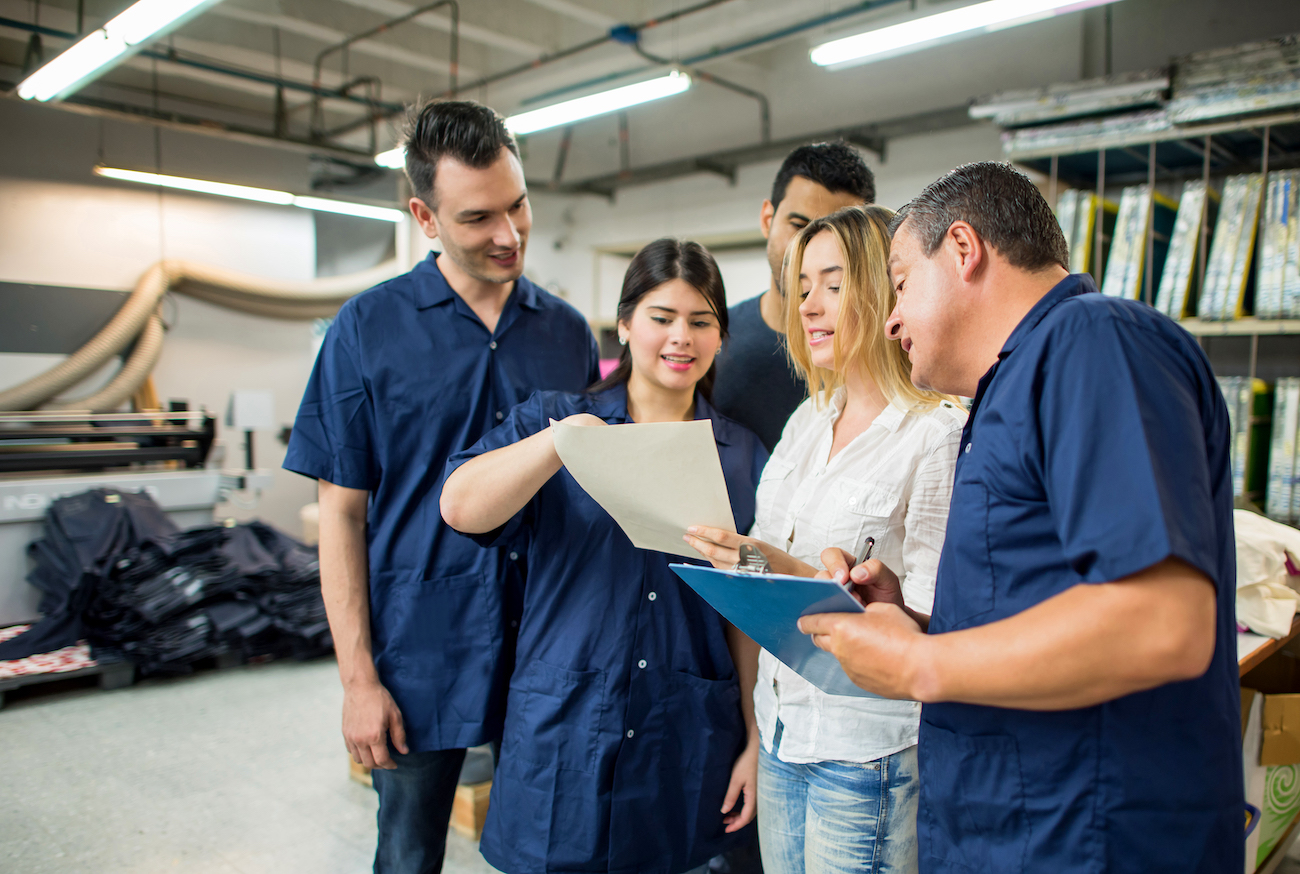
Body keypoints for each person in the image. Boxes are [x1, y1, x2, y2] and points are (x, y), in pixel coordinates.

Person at [800, 162, 1242, 873]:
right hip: (1014, 830)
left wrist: (920, 662)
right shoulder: (1008, 390)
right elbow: (1043, 607)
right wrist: (912, 622)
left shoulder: (1095, 342)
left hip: (1092, 838)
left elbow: (1166, 625)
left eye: (903, 282)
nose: (890, 318)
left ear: (965, 250)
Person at [283, 99, 599, 874]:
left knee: (550, 848)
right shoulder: (366, 331)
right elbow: (342, 515)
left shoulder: (566, 334)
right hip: (420, 654)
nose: (509, 234)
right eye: (477, 217)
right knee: (408, 853)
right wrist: (359, 682)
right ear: (425, 216)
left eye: (518, 204)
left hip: (547, 649)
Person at [440, 239, 768, 874]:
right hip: (564, 725)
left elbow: (751, 609)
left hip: (685, 731)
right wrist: (556, 447)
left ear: (721, 336)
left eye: (701, 321)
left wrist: (754, 740)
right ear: (623, 325)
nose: (681, 338)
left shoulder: (744, 456)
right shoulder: (559, 421)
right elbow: (459, 507)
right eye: (661, 317)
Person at [686, 206, 964, 874]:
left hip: (864, 747)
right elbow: (759, 567)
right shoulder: (808, 420)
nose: (809, 305)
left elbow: (933, 626)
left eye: (833, 285)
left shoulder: (937, 434)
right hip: (783, 730)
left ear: (882, 288)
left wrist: (773, 564)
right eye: (803, 285)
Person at [712, 142, 875, 453]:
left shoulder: (878, 355)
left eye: (835, 236)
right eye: (799, 226)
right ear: (766, 219)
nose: (810, 247)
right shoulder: (713, 340)